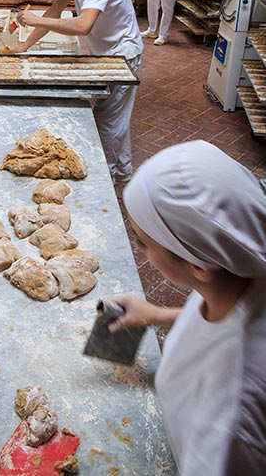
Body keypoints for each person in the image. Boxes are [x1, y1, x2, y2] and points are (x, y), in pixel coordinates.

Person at [107, 140, 266, 475]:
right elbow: (228, 326)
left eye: (144, 243)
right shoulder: (245, 266)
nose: (139, 250)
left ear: (199, 266)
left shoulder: (225, 420)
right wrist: (159, 315)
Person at [16, 0, 142, 183]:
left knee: (106, 119)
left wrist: (33, 19)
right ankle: (124, 169)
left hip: (122, 55)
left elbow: (84, 25)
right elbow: (55, 11)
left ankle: (103, 178)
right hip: (106, 53)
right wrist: (25, 45)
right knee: (116, 116)